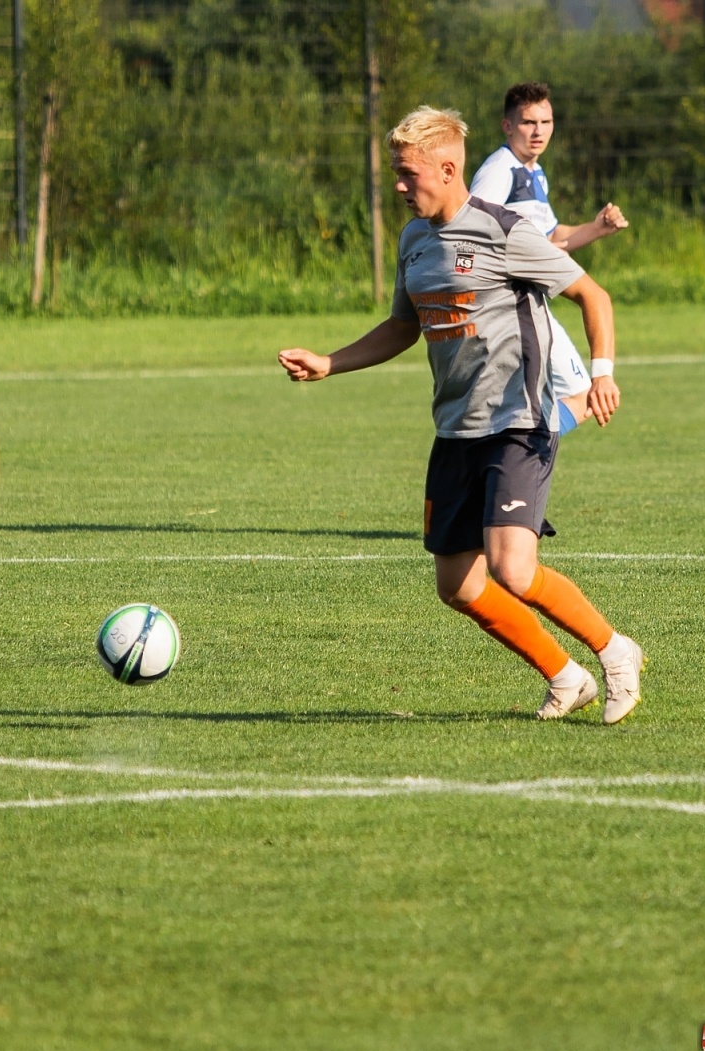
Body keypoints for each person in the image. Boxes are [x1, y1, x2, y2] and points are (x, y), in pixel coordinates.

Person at [278, 105, 643, 724]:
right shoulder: (414, 240)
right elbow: (402, 326)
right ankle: (564, 675)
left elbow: (592, 294)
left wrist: (602, 373)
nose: (397, 185)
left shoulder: (505, 231)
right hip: (455, 430)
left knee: (511, 568)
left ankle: (614, 651)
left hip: (520, 424)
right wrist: (329, 363)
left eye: (406, 173)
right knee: (459, 585)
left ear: (447, 168)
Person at [470, 82, 628, 434]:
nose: (539, 131)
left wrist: (596, 228)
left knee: (528, 404)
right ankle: (519, 461)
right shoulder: (500, 171)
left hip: (527, 302)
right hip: (509, 303)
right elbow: (474, 231)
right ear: (507, 126)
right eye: (528, 122)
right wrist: (528, 255)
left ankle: (513, 459)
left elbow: (553, 237)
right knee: (583, 394)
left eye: (546, 121)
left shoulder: (533, 173)